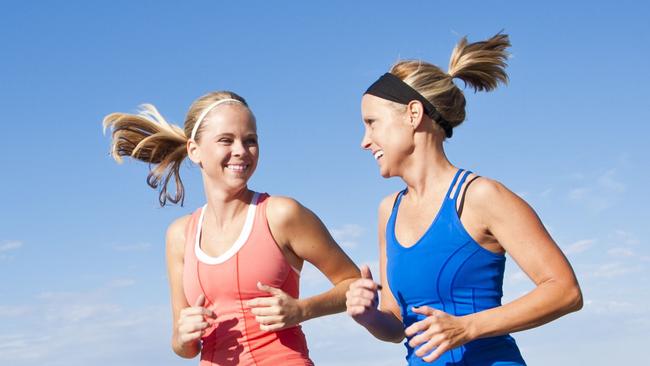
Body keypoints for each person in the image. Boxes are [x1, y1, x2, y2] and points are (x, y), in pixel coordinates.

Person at [345, 33, 583, 365]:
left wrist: (468, 327)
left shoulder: (480, 196)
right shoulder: (389, 211)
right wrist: (369, 316)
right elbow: (398, 322)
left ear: (413, 114)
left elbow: (565, 291)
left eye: (372, 123)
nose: (364, 141)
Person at [103, 91, 360, 365]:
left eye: (250, 141)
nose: (241, 150)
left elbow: (355, 283)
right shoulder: (180, 235)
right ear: (194, 150)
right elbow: (185, 348)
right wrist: (183, 335)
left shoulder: (280, 214)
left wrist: (302, 309)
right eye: (226, 140)